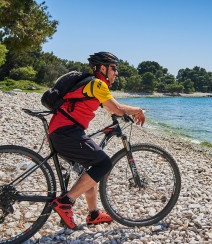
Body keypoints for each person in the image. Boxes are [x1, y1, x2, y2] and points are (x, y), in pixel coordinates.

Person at [48, 52, 145, 229]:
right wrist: (138, 109)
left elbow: (109, 106)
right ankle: (65, 202)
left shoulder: (91, 85)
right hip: (66, 133)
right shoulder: (97, 83)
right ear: (102, 68)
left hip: (63, 132)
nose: (116, 72)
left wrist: (122, 112)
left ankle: (93, 214)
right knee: (104, 163)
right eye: (114, 68)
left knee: (90, 170)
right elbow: (116, 109)